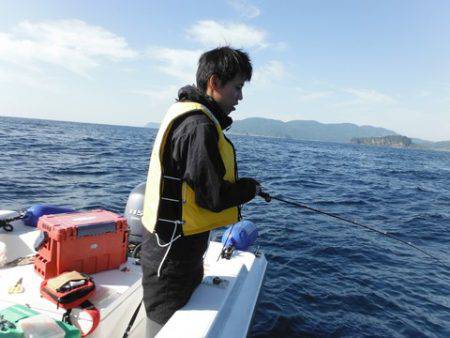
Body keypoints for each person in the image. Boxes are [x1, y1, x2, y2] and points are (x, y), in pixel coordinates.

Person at [140, 46, 260, 337]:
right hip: (173, 254)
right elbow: (214, 196)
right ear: (215, 82)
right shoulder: (198, 126)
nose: (240, 97)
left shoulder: (187, 114)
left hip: (171, 245)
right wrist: (250, 188)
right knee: (166, 325)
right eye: (237, 87)